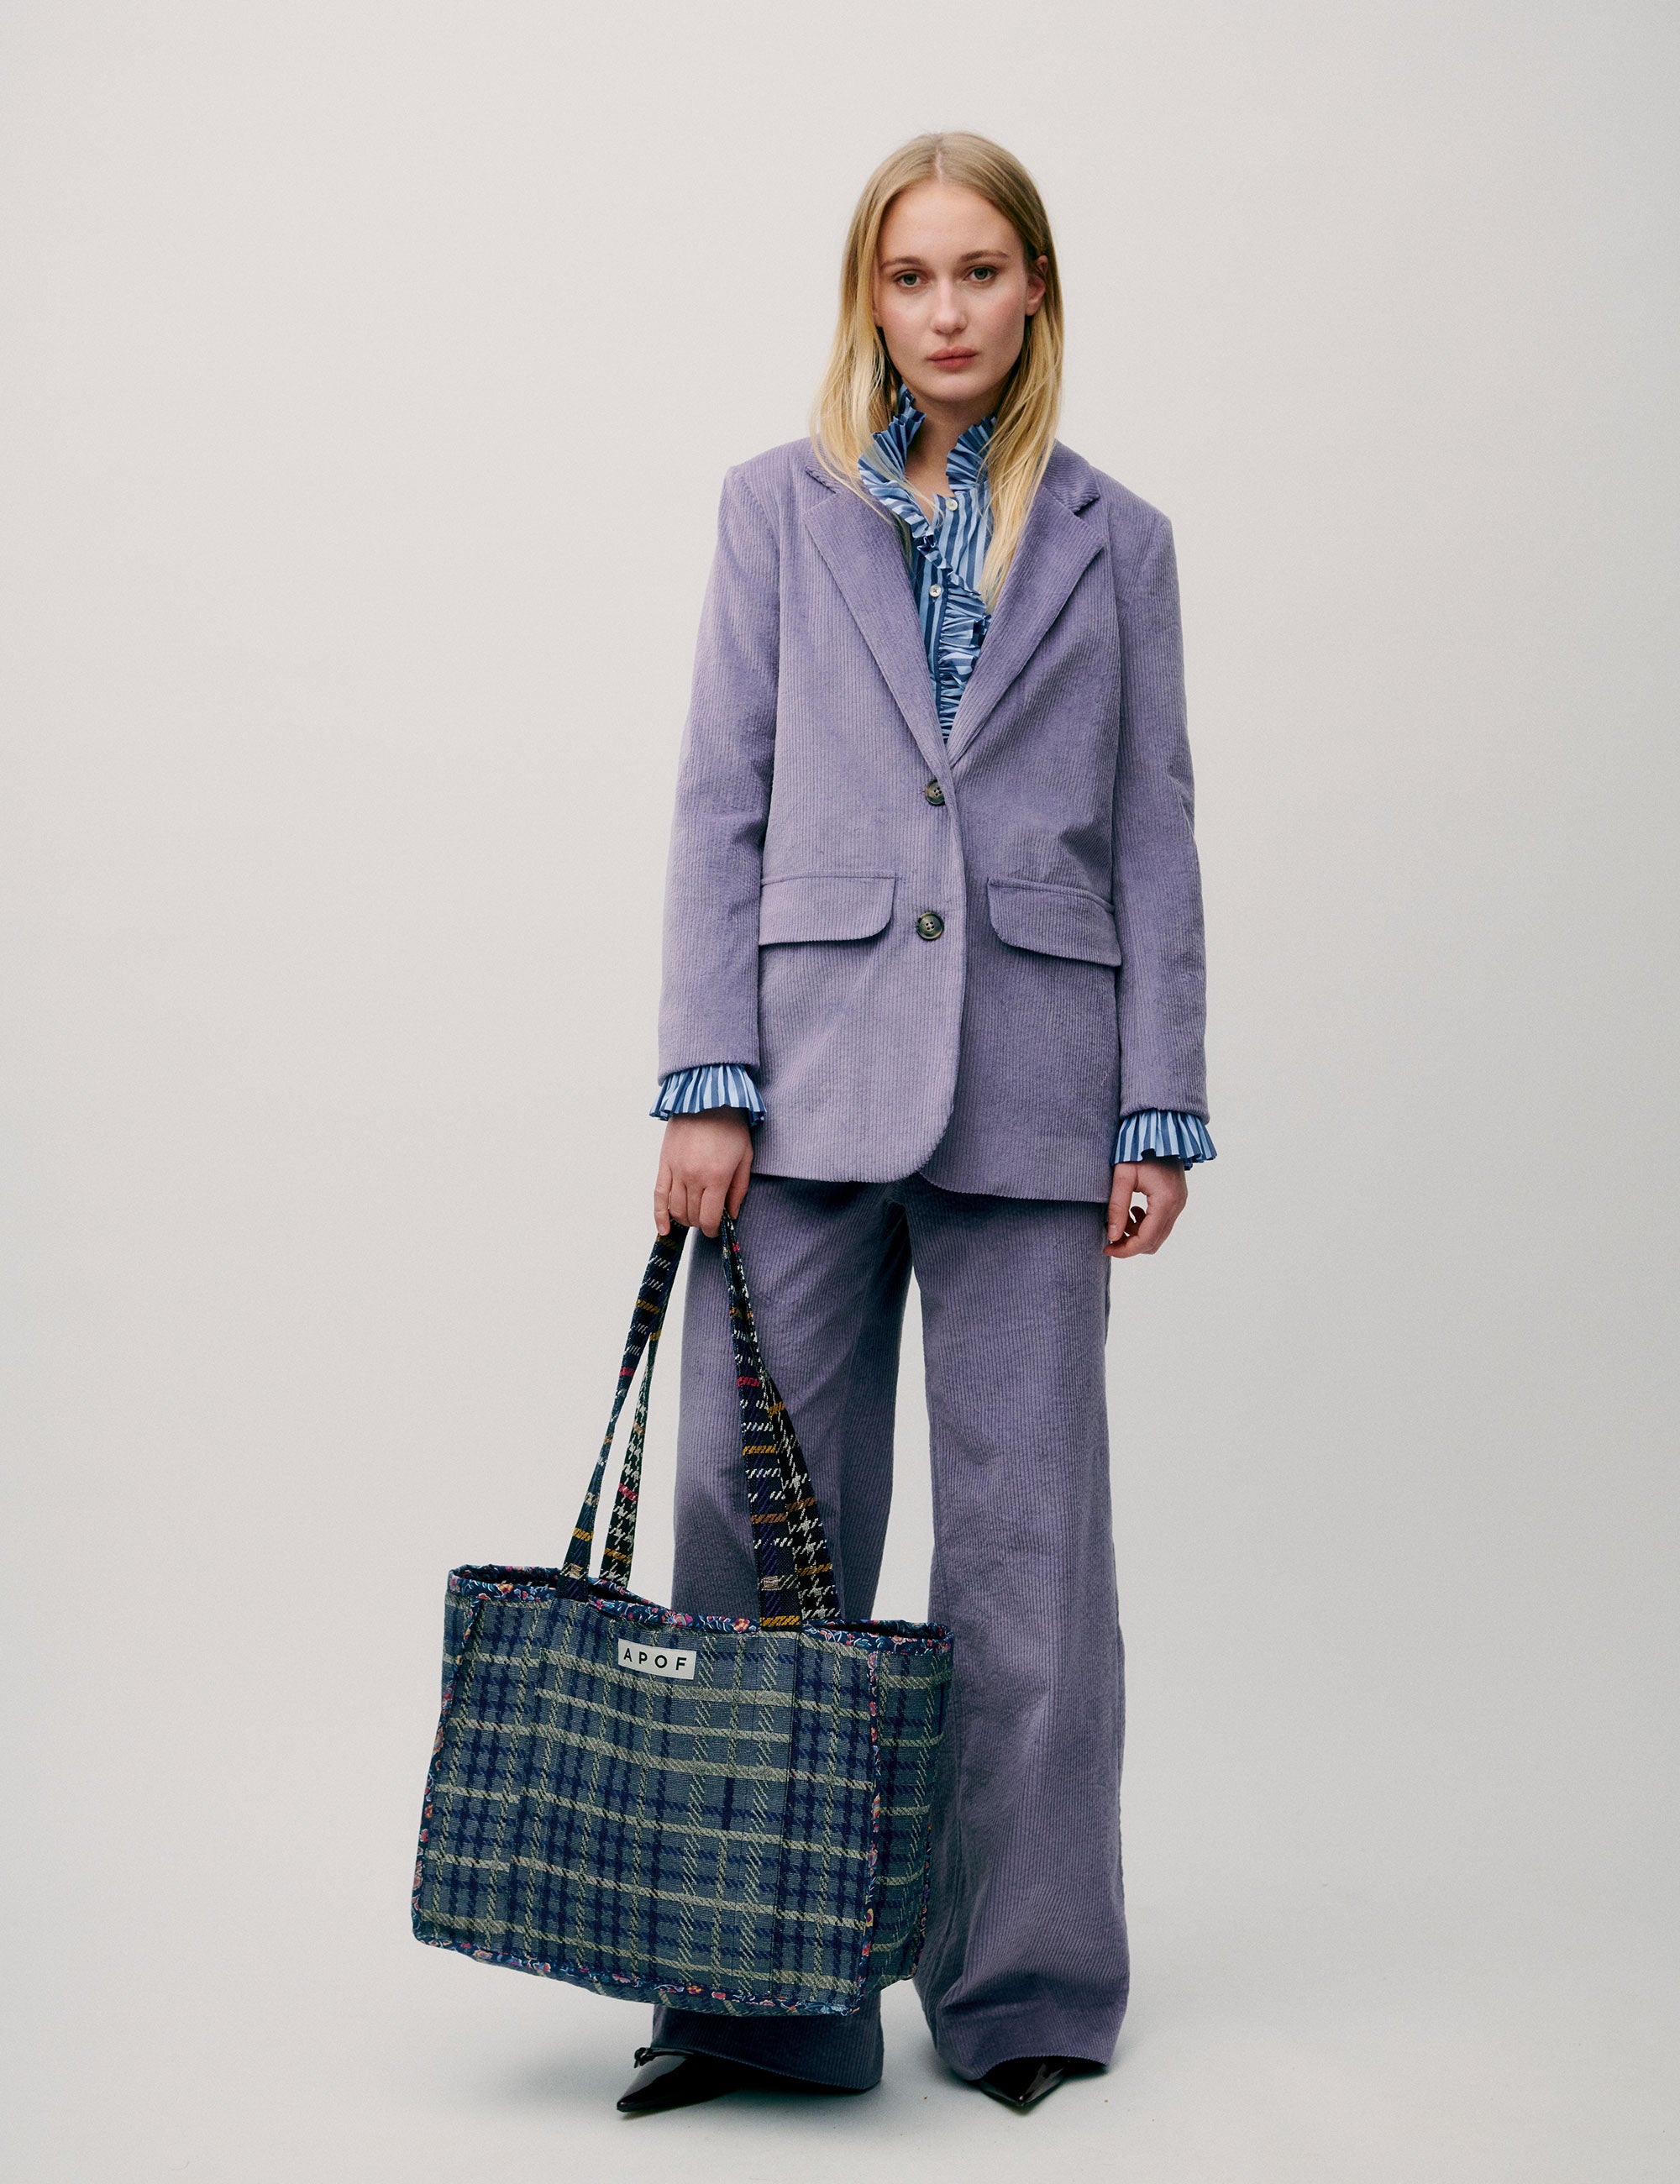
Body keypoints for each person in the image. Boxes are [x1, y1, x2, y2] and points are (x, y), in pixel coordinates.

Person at [619, 130, 1214, 2117]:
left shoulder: (1118, 539)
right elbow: (723, 798)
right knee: (747, 1525)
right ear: (865, 297)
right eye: (909, 278)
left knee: (1029, 1558)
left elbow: (1153, 830)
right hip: (798, 1083)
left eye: (979, 273)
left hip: (1042, 1091)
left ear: (1033, 289)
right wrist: (706, 1082)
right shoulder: (772, 513)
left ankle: (1024, 1982)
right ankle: (750, 1994)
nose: (945, 311)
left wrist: (1159, 1105)